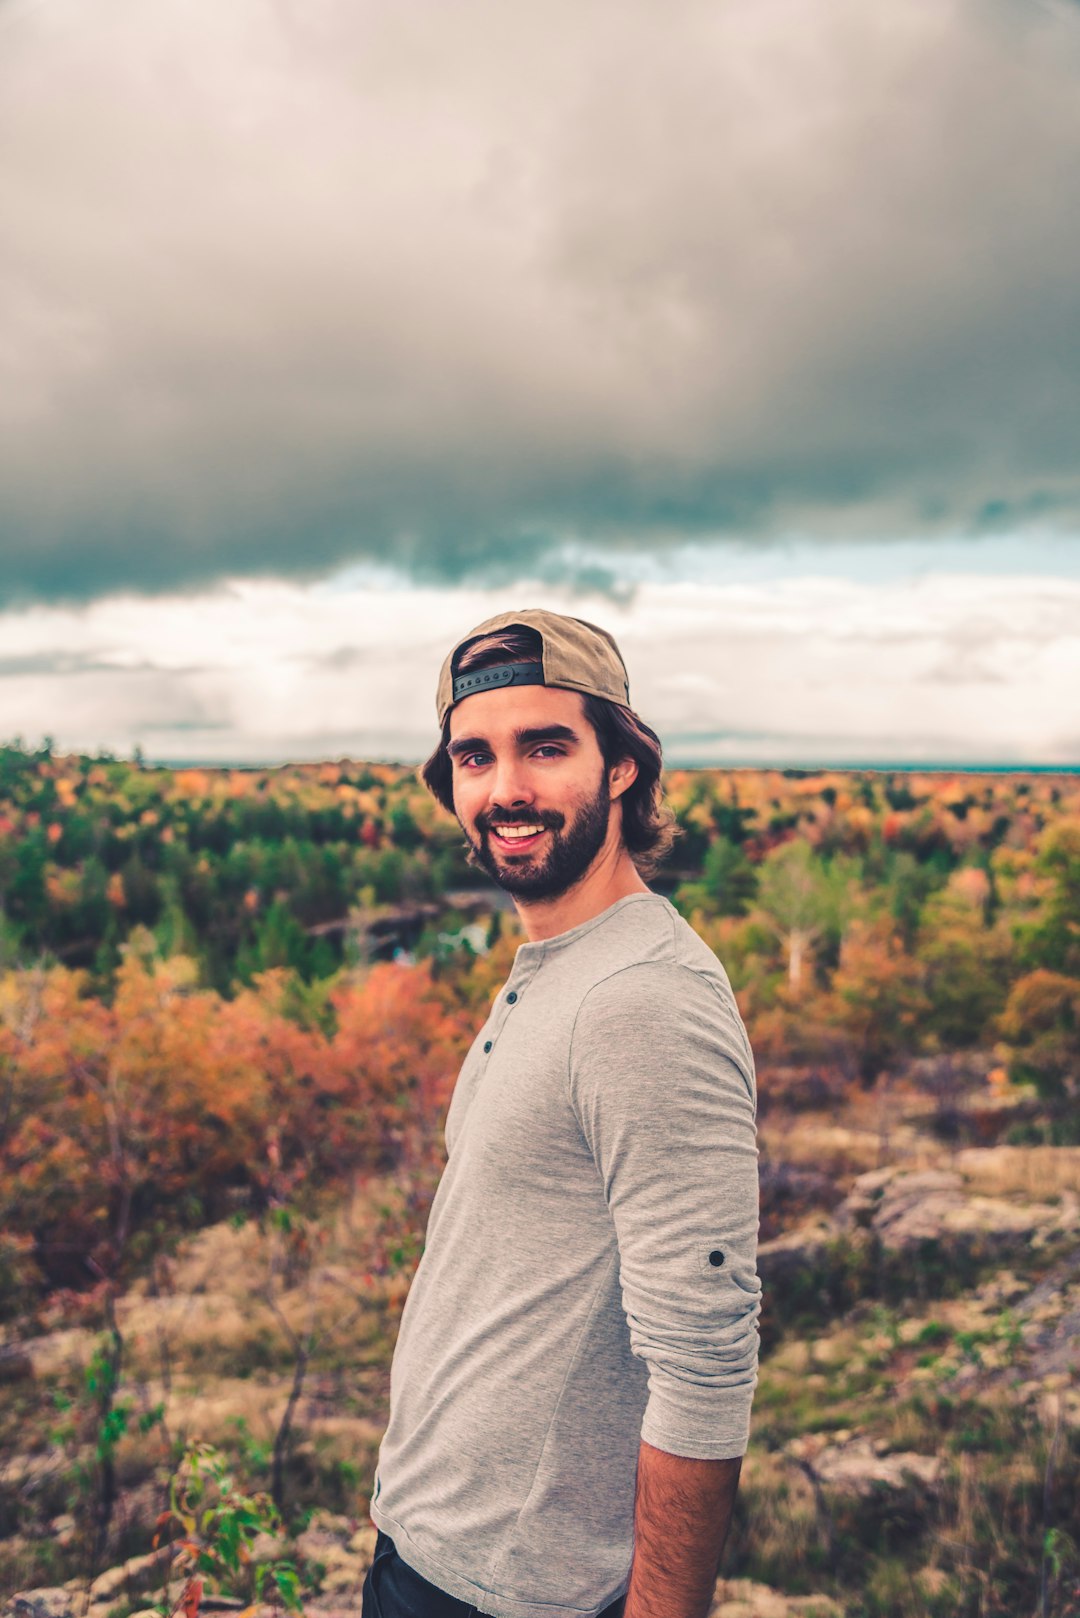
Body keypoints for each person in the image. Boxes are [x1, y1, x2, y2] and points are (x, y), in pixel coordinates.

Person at [363, 608, 761, 1618]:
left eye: (546, 746)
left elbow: (706, 1358)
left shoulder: (645, 998)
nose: (506, 790)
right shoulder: (557, 965)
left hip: (518, 1593)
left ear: (621, 766)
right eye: (474, 756)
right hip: (433, 1553)